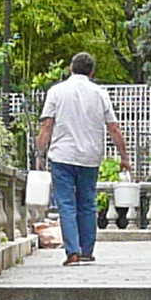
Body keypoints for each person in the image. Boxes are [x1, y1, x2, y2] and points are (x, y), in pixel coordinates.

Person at [35, 52, 129, 266]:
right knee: (87, 203)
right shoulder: (100, 93)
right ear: (92, 71)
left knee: (66, 204)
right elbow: (113, 128)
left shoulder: (56, 92)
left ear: (71, 68)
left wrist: (39, 154)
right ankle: (87, 250)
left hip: (62, 156)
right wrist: (124, 157)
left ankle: (73, 252)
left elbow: (47, 126)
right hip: (90, 157)